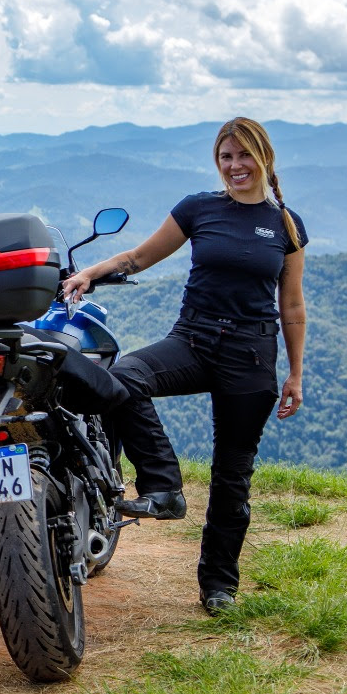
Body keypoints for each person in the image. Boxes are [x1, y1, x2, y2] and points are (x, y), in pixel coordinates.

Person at [62, 116, 307, 615]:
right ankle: (164, 488)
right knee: (124, 376)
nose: (235, 166)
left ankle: (219, 586)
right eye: (226, 157)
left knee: (232, 477)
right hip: (193, 339)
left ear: (264, 158)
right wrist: (90, 271)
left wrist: (296, 375)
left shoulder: (286, 225)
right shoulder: (198, 209)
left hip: (252, 355)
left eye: (243, 155)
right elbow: (138, 257)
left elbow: (293, 306)